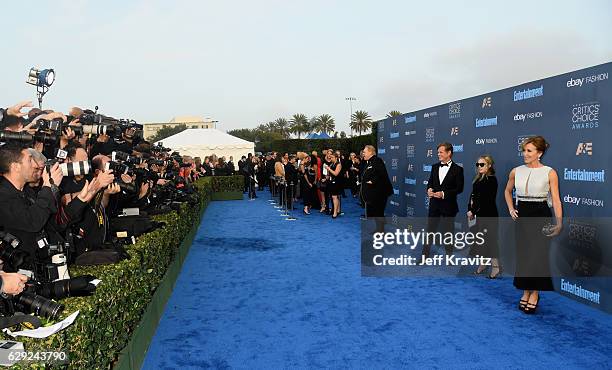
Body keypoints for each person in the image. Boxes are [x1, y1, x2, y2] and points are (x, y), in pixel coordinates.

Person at [504, 136, 562, 314]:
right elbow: (507, 191)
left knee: (538, 256)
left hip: (541, 215)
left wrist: (559, 222)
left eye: (529, 151)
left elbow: (557, 200)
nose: (525, 154)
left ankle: (535, 293)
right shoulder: (516, 171)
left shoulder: (550, 172)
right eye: (524, 150)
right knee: (524, 256)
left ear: (540, 153)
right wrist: (511, 209)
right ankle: (525, 290)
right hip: (523, 215)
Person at [421, 142, 464, 258]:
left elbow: (459, 189)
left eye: (441, 152)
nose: (438, 154)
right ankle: (424, 255)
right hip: (434, 205)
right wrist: (429, 189)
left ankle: (449, 256)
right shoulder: (435, 167)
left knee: (448, 233)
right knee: (429, 231)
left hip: (448, 206)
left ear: (449, 153)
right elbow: (430, 182)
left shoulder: (458, 169)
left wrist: (444, 194)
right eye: (438, 152)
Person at [467, 155, 500, 278]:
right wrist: (470, 209)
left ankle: (496, 267)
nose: (479, 167)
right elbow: (472, 197)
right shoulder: (477, 179)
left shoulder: (492, 180)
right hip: (479, 215)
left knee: (490, 240)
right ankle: (483, 264)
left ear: (489, 165)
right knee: (481, 241)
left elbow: (486, 200)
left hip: (489, 215)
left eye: (482, 164)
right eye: (478, 165)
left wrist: (473, 210)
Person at [361, 145, 393, 220]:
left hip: (379, 193)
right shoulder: (368, 162)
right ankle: (377, 229)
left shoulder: (377, 160)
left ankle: (380, 230)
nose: (363, 154)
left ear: (370, 152)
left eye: (364, 152)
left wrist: (372, 181)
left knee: (378, 213)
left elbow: (381, 173)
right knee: (374, 213)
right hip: (372, 194)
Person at [324, 152, 343, 218]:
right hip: (331, 182)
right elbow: (330, 174)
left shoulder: (339, 164)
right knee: (334, 197)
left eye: (332, 157)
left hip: (337, 182)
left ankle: (335, 212)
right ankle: (337, 211)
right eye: (330, 157)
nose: (330, 158)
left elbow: (335, 173)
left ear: (336, 158)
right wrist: (327, 177)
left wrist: (329, 169)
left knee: (334, 197)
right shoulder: (332, 164)